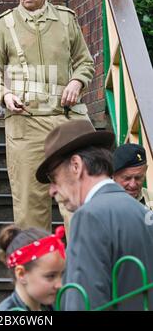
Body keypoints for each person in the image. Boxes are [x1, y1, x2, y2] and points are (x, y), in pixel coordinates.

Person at [0, 0, 94, 232]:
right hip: (25, 123)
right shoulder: (4, 25)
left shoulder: (66, 19)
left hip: (65, 120)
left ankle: (82, 266)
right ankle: (38, 268)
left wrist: (77, 81)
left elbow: (85, 62)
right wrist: (4, 94)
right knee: (29, 204)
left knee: (77, 199)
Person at [36, 119, 153, 310]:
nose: (52, 191)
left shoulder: (89, 216)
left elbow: (83, 303)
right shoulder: (141, 211)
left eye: (54, 178)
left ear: (76, 166)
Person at [0, 224, 65, 311]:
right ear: (21, 274)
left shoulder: (50, 306)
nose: (60, 285)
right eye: (51, 276)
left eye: (61, 275)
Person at [113, 143, 153, 209]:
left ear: (145, 171)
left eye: (138, 177)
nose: (133, 185)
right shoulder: (100, 205)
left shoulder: (151, 199)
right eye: (127, 178)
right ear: (113, 175)